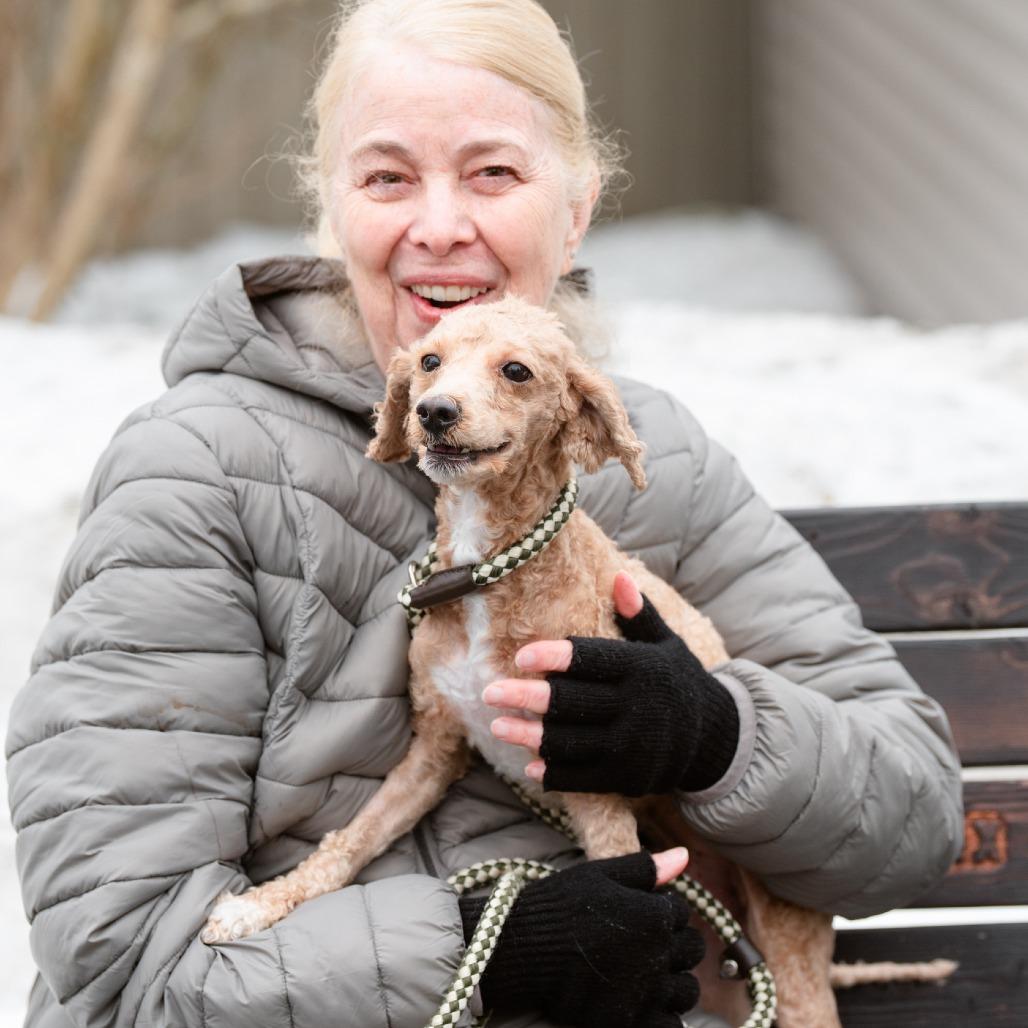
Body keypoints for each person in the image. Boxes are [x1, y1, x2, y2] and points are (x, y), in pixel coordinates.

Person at [6, 1, 964, 1026]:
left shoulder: (654, 457)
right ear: (333, 206)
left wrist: (718, 734)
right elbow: (118, 954)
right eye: (385, 177)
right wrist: (479, 948)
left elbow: (908, 812)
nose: (437, 224)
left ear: (576, 207)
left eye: (492, 173)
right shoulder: (199, 468)